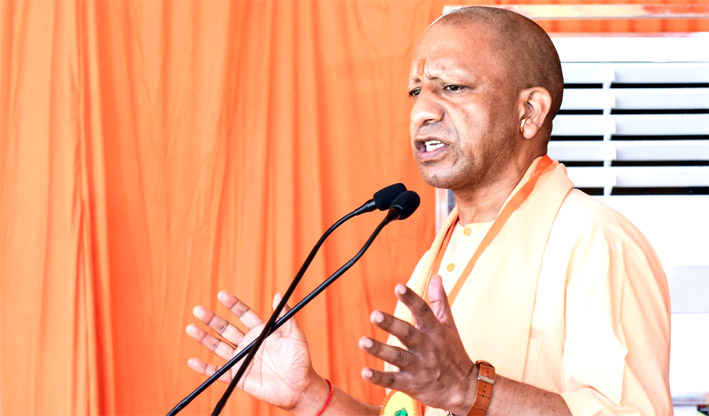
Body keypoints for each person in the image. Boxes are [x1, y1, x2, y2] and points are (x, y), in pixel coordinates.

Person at [186, 6, 672, 415]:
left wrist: (470, 389)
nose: (422, 111)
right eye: (416, 91)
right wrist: (311, 396)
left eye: (452, 87)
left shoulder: (595, 243)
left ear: (529, 112)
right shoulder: (440, 256)